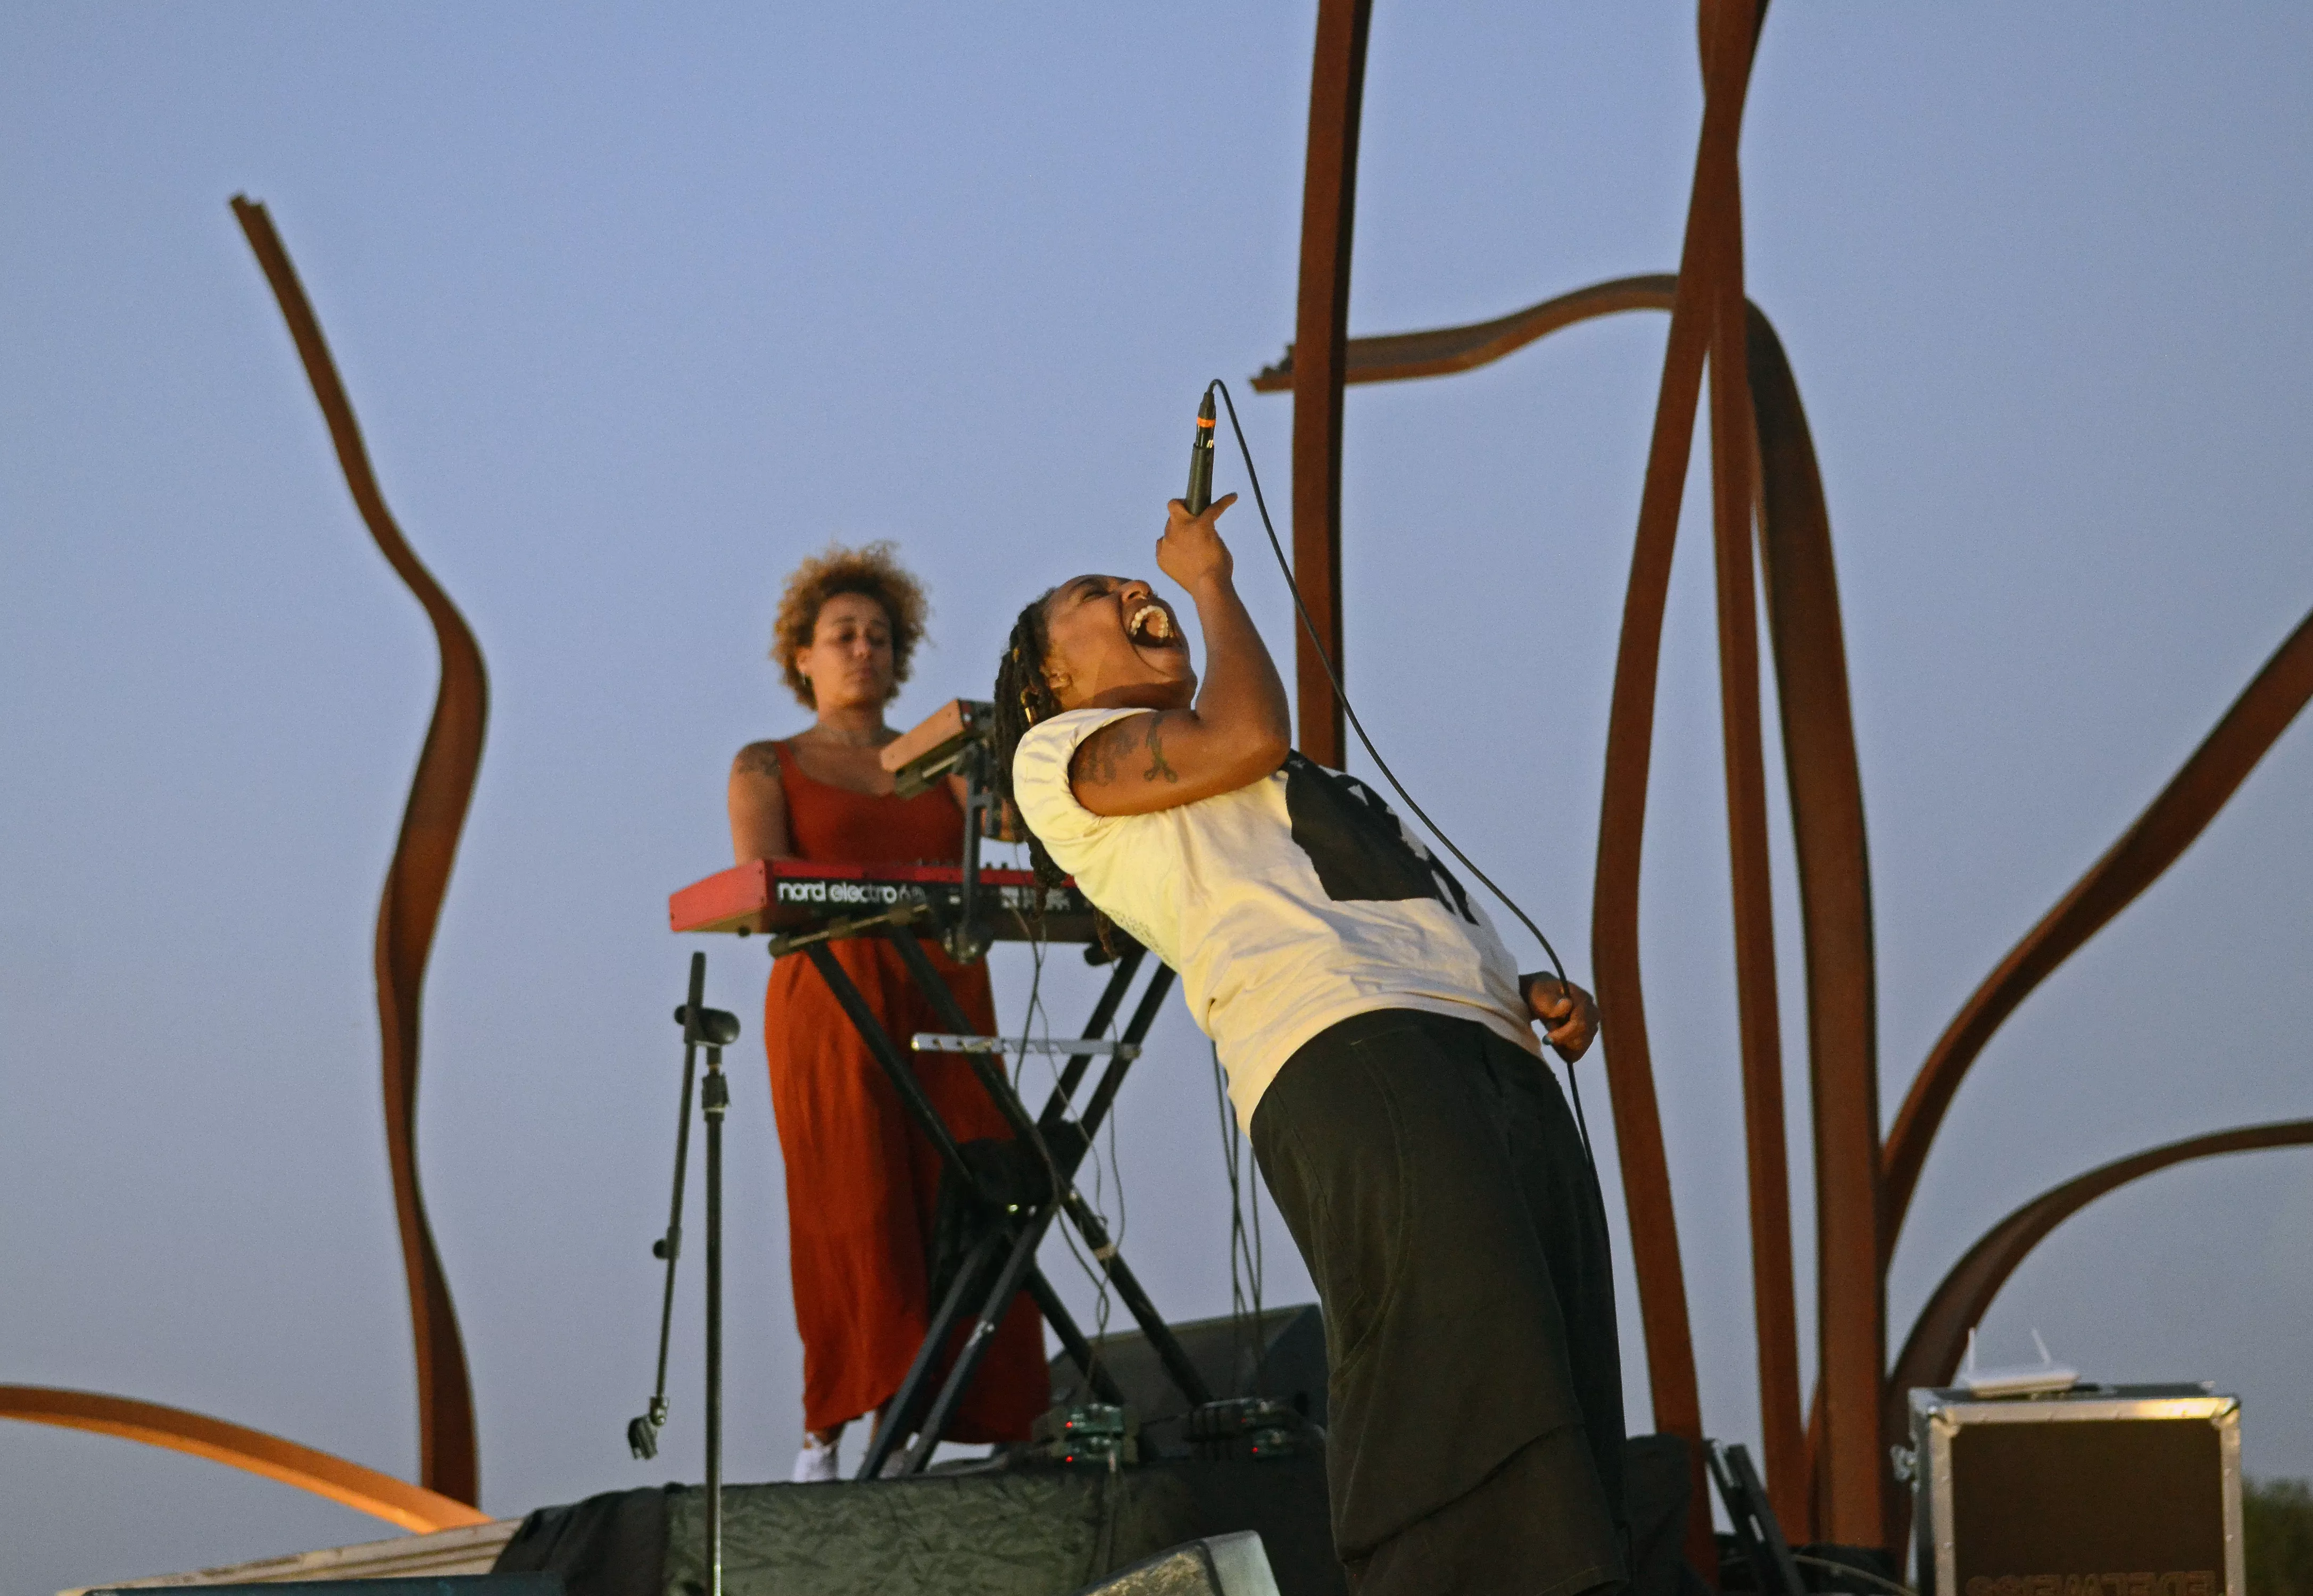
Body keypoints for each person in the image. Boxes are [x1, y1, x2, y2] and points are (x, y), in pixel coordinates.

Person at [992, 494, 1624, 1595]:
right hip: (1341, 1046)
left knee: (1558, 1375)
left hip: (1482, 1048)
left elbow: (1345, 882)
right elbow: (1244, 735)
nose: (1134, 592)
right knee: (1456, 1358)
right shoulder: (1062, 756)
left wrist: (1516, 988)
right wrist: (1209, 581)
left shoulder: (1302, 783)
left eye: (1133, 581)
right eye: (1101, 596)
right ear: (1051, 683)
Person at [729, 541, 1046, 1484]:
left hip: (944, 988)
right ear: (803, 656)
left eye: (877, 635)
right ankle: (841, 1422)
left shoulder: (936, 759)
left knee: (975, 1188)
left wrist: (1002, 769)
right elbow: (765, 887)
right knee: (855, 1203)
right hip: (834, 1000)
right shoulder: (765, 762)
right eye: (842, 635)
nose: (862, 649)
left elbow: (1002, 836)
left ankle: (985, 1415)